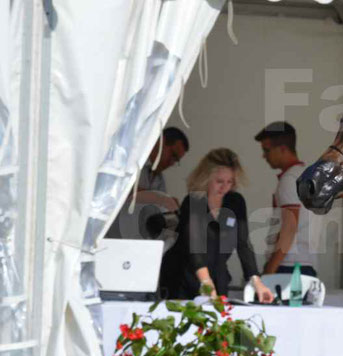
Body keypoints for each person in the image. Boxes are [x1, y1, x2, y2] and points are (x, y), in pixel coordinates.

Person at [158, 148, 273, 303]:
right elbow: (196, 249)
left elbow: (243, 244)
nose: (224, 187)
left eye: (229, 182)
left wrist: (256, 281)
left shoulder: (235, 202)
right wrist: (206, 283)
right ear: (206, 179)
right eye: (219, 181)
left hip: (218, 276)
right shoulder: (194, 201)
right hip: (184, 278)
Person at [254, 121, 318, 277]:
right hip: (305, 264)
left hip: (288, 266)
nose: (264, 156)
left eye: (266, 150)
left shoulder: (289, 179)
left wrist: (269, 271)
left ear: (283, 149)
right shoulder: (307, 174)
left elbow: (289, 227)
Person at [109, 127, 190, 239]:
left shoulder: (160, 180)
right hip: (110, 237)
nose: (171, 162)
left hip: (134, 241)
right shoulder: (132, 162)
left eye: (176, 160)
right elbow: (120, 190)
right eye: (173, 155)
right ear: (160, 142)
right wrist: (161, 198)